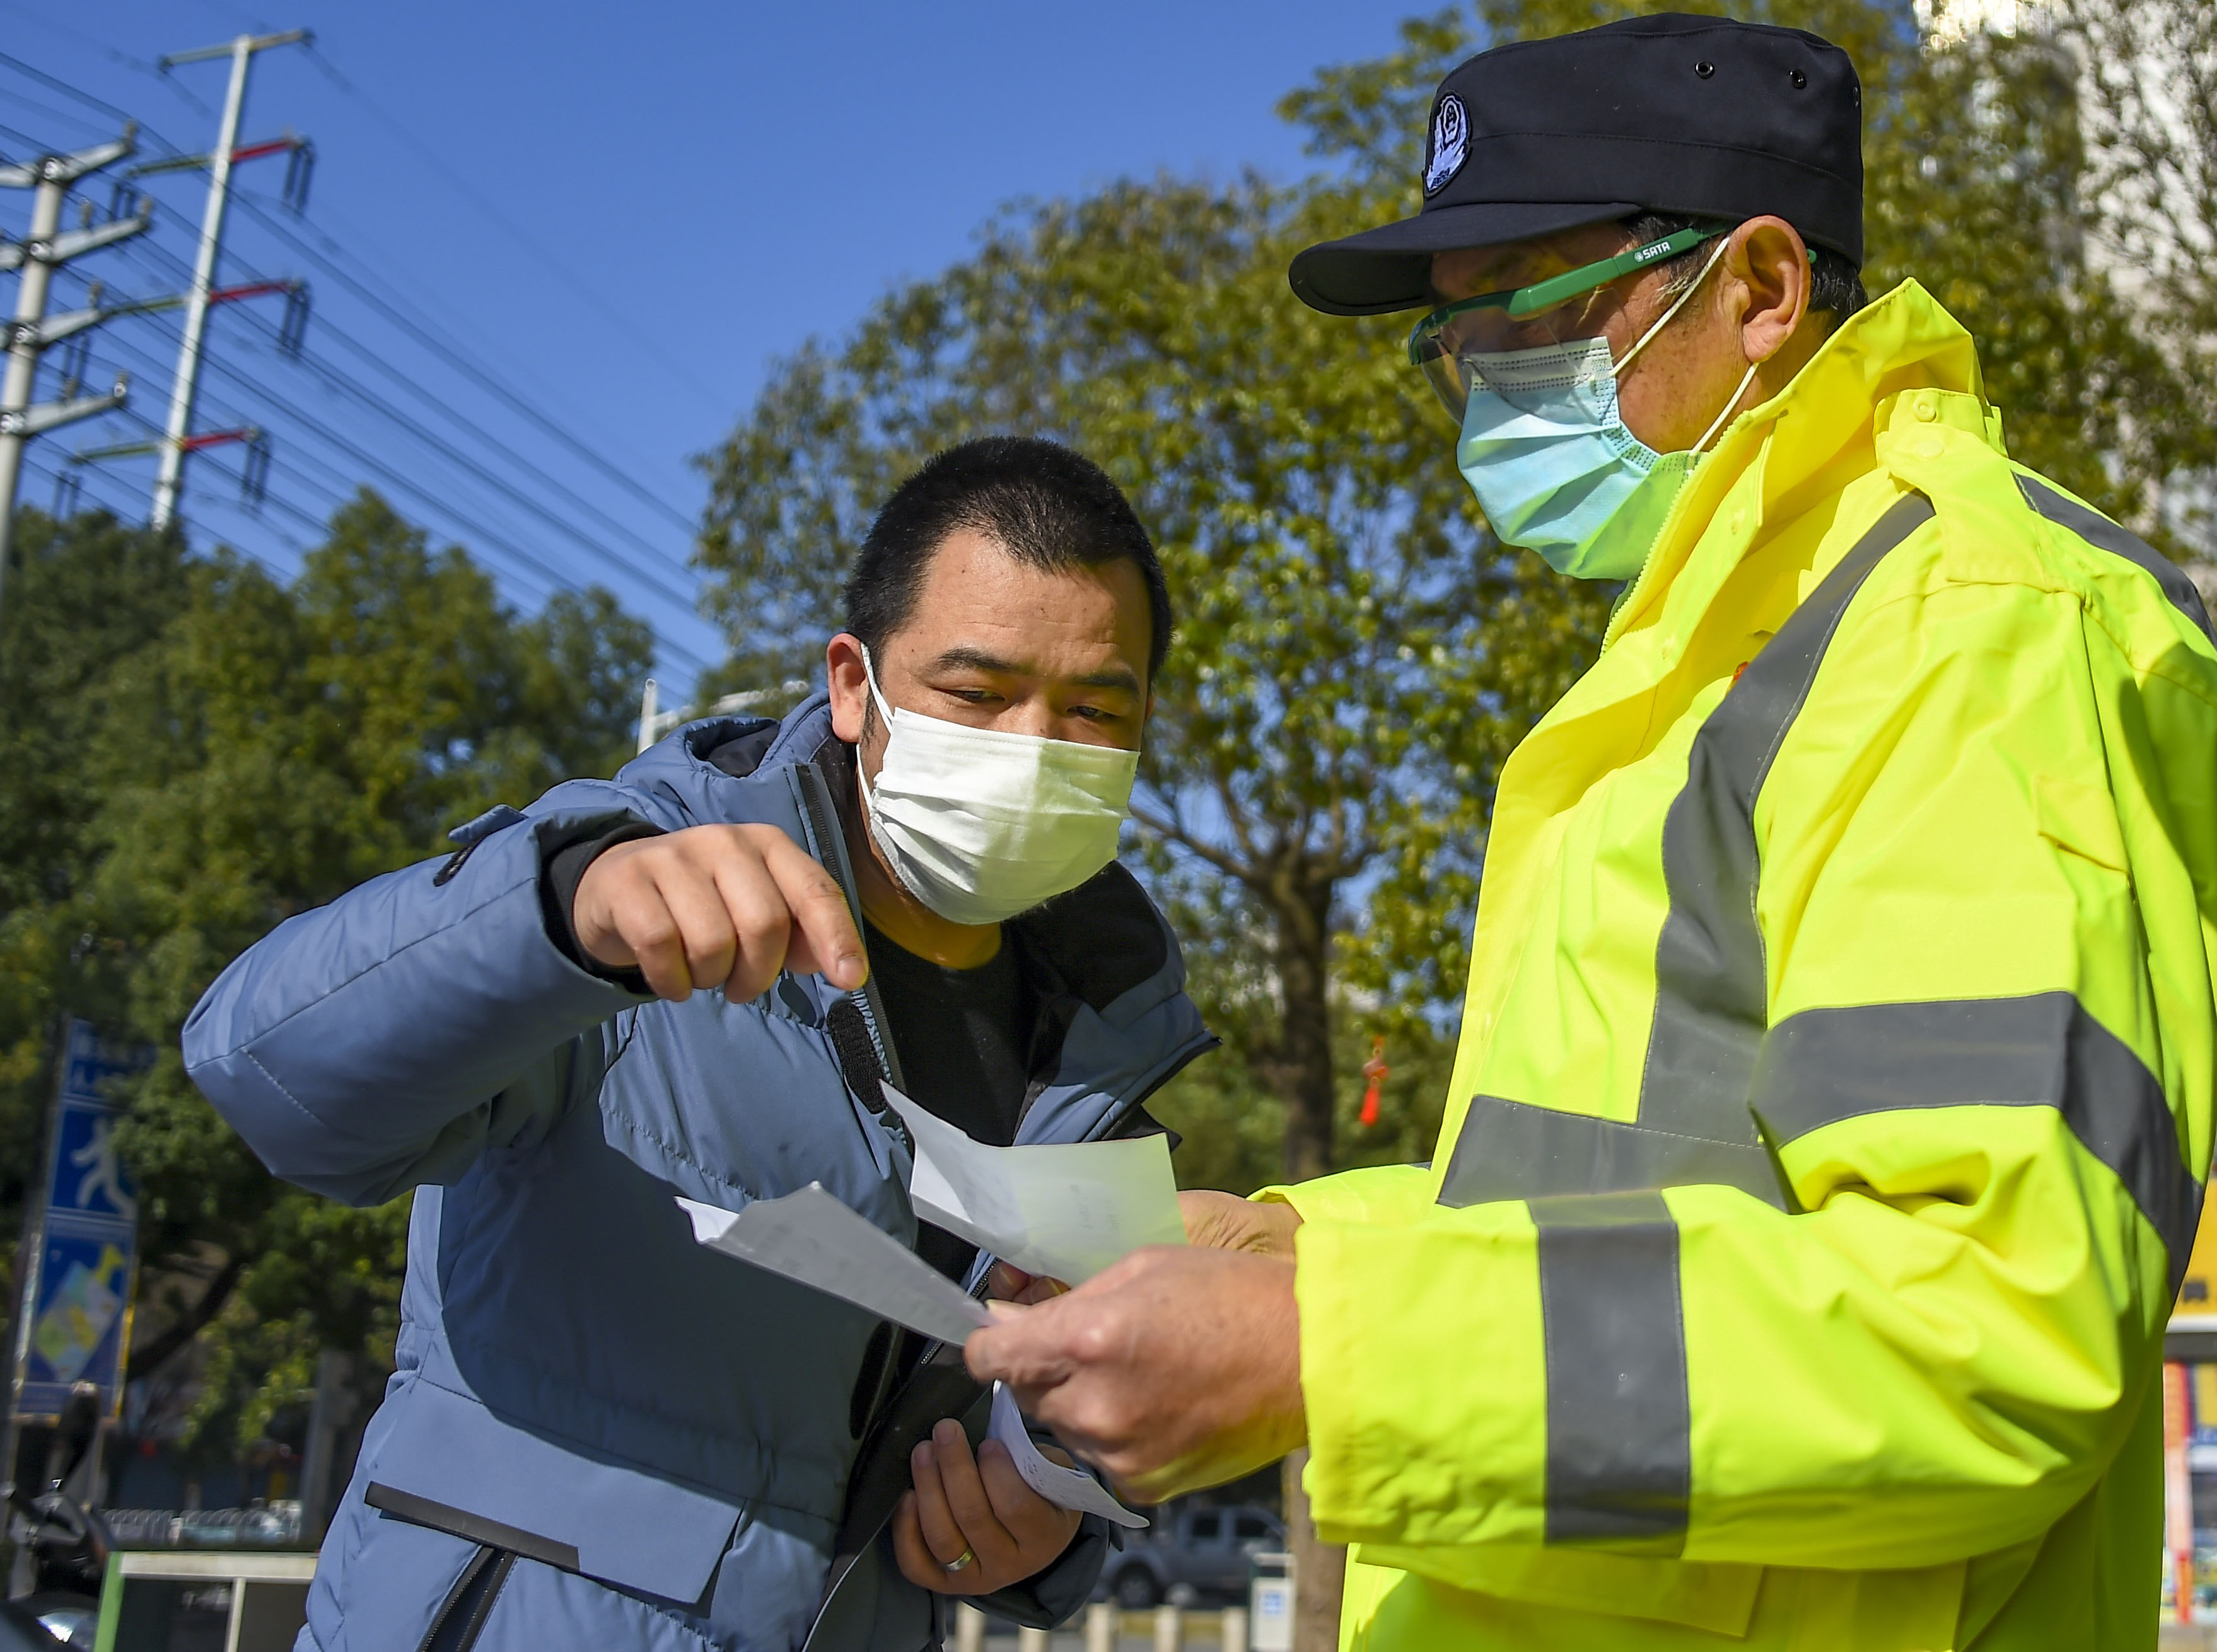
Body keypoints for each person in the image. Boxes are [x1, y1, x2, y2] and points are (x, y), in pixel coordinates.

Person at [967, 15, 2217, 1650]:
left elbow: (1982, 1319)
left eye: (1527, 313)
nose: (1478, 384)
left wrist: (1329, 1349)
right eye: (1453, 342)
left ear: (1760, 291)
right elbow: (1636, 1201)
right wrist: (1289, 1247)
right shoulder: (1710, 657)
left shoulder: (1962, 638)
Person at [183, 436, 1213, 1652]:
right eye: (977, 694)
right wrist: (555, 917)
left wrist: (1052, 1525)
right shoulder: (626, 875)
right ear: (852, 685)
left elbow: (1055, 1424)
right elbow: (266, 1075)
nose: (1033, 750)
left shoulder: (1105, 1045)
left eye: (1095, 708)